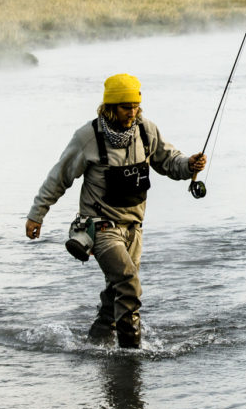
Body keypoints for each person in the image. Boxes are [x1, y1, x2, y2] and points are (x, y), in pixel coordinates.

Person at [25, 73, 207, 348]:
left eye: (136, 106)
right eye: (125, 107)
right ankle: (131, 354)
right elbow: (59, 177)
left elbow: (169, 161)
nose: (132, 113)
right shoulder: (88, 137)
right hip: (100, 228)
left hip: (134, 229)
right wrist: (36, 215)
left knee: (116, 293)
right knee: (128, 283)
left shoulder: (146, 130)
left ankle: (95, 345)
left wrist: (189, 165)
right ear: (109, 108)